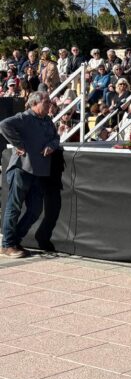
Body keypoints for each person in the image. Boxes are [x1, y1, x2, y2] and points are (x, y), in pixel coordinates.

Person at [0, 91, 60, 258]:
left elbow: (56, 138)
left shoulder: (47, 120)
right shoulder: (24, 117)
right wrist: (17, 144)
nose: (50, 105)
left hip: (38, 171)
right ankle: (8, 244)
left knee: (35, 209)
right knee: (14, 207)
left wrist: (51, 145)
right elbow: (4, 125)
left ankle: (14, 240)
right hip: (21, 169)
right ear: (35, 103)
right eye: (46, 102)